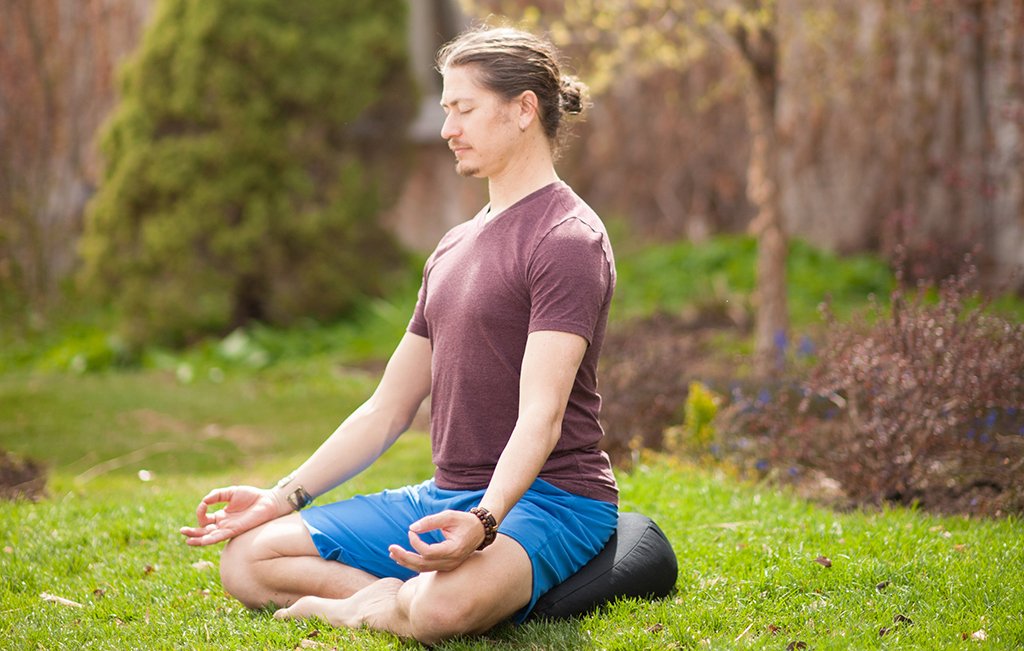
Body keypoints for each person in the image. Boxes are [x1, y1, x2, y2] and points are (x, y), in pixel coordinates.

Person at [180, 25, 619, 644]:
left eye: (463, 109)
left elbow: (541, 416)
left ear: (523, 109)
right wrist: (282, 497)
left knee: (443, 613)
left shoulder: (566, 240)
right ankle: (392, 600)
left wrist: (487, 520)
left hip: (549, 499)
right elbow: (388, 407)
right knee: (248, 559)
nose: (447, 129)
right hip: (445, 494)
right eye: (446, 111)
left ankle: (364, 608)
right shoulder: (454, 246)